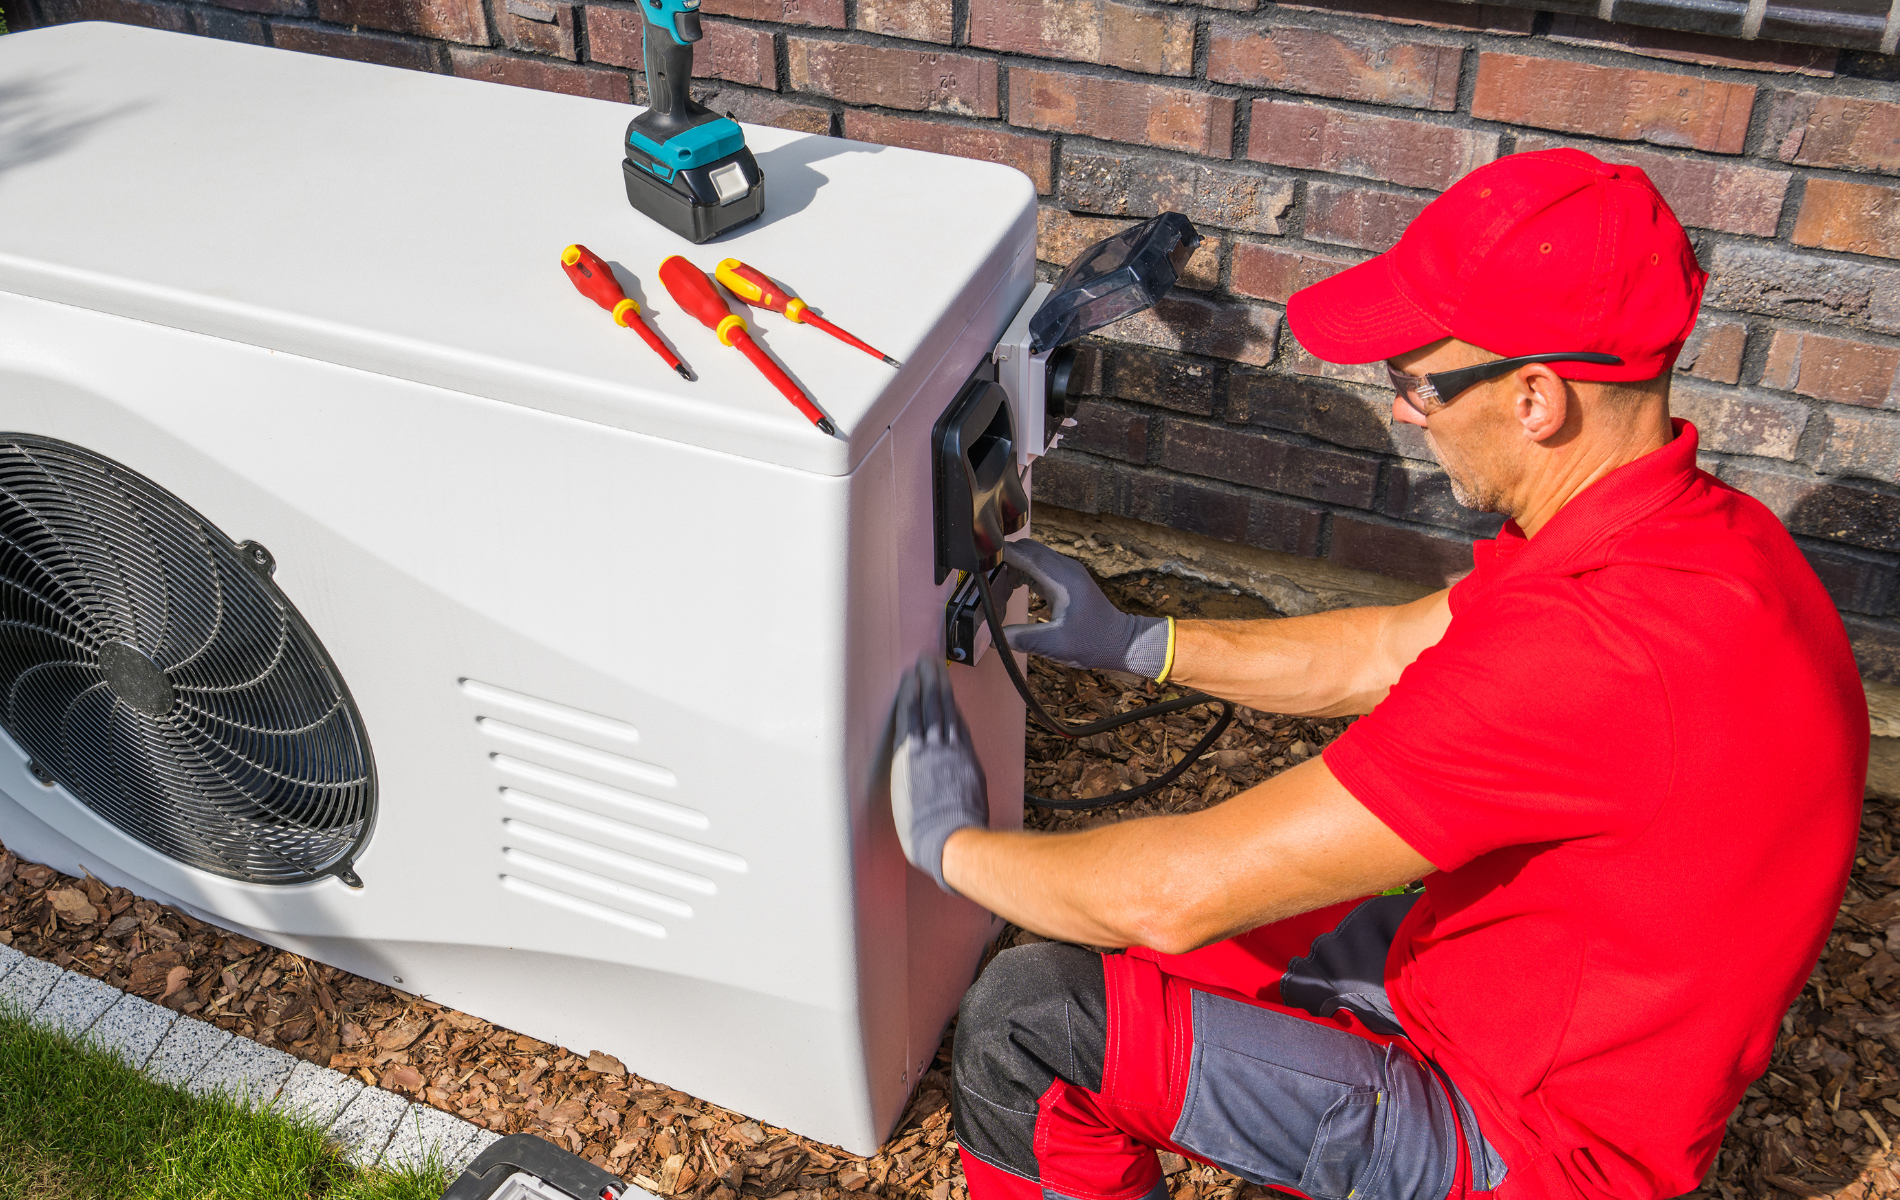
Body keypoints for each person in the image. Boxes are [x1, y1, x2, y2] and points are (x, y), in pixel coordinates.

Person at [887, 147, 1871, 1200]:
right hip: (1538, 1000)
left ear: (1536, 398)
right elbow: (1391, 648)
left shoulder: (1591, 648)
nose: (1405, 412)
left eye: (1417, 383)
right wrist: (1139, 642)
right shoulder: (1701, 542)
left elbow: (1171, 896)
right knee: (1194, 955)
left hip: (1530, 1145)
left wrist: (949, 850)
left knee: (1032, 1019)